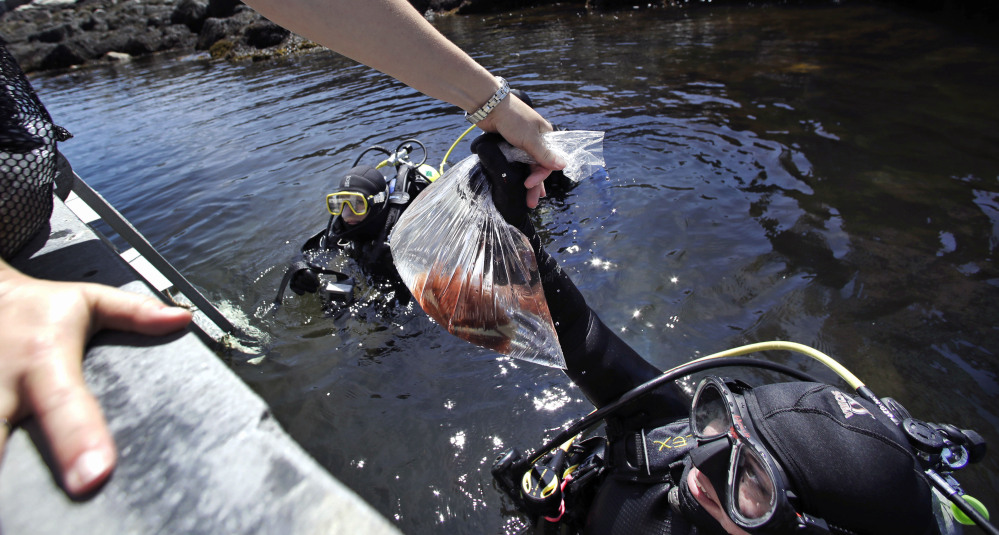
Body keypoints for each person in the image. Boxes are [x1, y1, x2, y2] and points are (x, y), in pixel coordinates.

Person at [0, 0, 565, 498]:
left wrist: (498, 106)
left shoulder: (396, 226)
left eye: (355, 205)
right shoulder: (343, 230)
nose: (345, 214)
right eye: (340, 204)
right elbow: (319, 251)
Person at [470, 134, 989, 535]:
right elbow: (582, 336)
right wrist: (516, 234)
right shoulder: (679, 444)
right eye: (722, 420)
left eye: (750, 479)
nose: (704, 459)